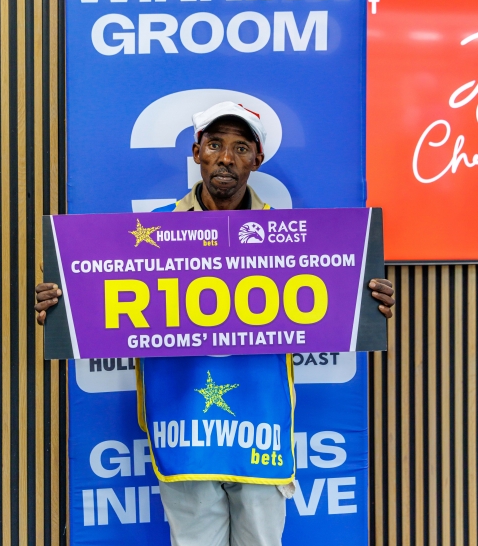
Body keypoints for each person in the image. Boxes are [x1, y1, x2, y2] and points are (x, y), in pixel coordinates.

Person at [35, 102, 395, 546]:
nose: (226, 158)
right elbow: (99, 289)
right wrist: (65, 301)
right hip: (184, 427)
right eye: (214, 145)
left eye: (240, 148)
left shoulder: (289, 236)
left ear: (257, 160)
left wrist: (363, 295)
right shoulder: (151, 233)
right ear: (197, 153)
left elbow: (332, 289)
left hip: (261, 426)